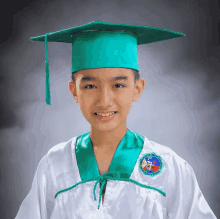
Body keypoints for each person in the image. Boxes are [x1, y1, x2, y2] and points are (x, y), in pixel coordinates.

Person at [15, 20, 217, 219]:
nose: (104, 101)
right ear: (74, 91)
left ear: (137, 89)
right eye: (90, 86)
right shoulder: (54, 164)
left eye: (118, 85)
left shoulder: (170, 167)